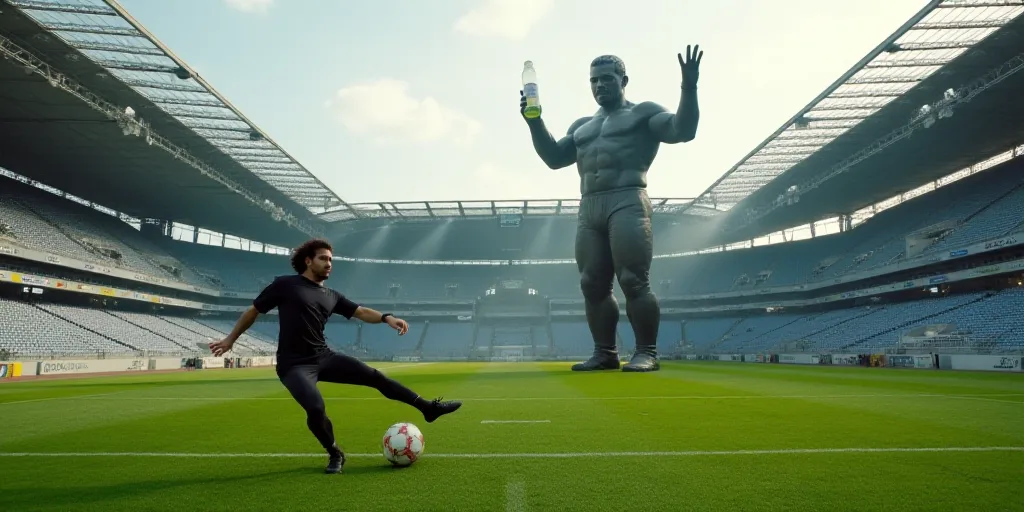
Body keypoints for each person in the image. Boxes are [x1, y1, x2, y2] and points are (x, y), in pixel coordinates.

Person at [520, 46, 703, 373]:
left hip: (628, 198)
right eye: (594, 80)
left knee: (633, 279)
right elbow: (553, 158)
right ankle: (605, 352)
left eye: (606, 79)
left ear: (624, 80)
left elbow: (682, 130)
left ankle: (647, 351)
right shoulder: (582, 126)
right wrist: (535, 122)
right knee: (591, 283)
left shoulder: (642, 113)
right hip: (590, 205)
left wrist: (688, 87)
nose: (599, 85)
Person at [209, 239, 462, 474]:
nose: (329, 264)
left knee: (376, 376)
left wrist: (387, 318)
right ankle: (334, 452)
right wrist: (230, 340)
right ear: (308, 261)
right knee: (315, 407)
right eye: (323, 259)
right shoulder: (285, 285)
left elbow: (361, 312)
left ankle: (428, 408)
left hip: (324, 357)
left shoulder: (332, 296)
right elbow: (254, 311)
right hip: (294, 365)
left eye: (331, 260)